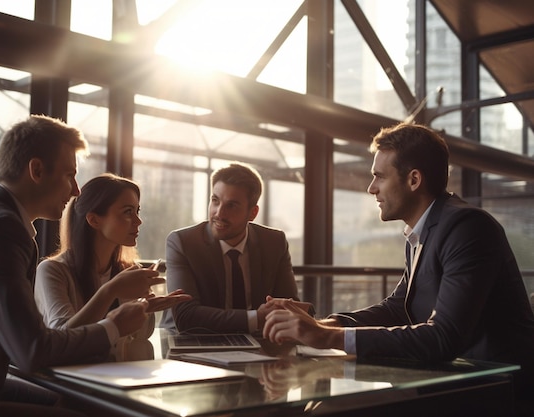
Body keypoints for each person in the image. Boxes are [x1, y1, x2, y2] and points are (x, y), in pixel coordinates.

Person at [0, 115, 190, 408]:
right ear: (37, 170)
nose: (76, 190)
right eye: (70, 175)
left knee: (67, 402)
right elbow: (32, 352)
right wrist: (114, 325)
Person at [263, 122, 534, 400]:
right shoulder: (426, 230)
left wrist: (327, 338)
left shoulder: (467, 227)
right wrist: (321, 324)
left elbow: (444, 337)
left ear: (414, 180)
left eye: (379, 176)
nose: (371, 188)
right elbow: (398, 308)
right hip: (455, 383)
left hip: (498, 391)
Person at [35, 173, 179, 361]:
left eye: (137, 211)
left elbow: (140, 337)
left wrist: (144, 307)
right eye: (128, 212)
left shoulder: (127, 270)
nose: (138, 221)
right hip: (68, 379)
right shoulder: (52, 270)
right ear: (94, 220)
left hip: (114, 374)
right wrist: (111, 290)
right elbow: (62, 337)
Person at [160, 162, 303, 334]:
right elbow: (187, 316)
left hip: (257, 343)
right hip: (190, 343)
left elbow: (290, 306)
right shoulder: (183, 243)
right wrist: (256, 317)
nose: (219, 213)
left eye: (232, 205)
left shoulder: (274, 242)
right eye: (215, 201)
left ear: (253, 213)